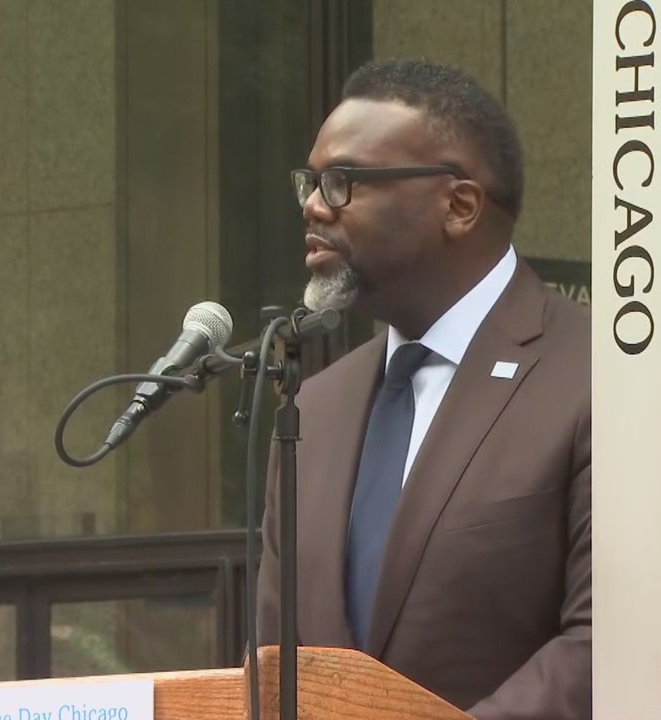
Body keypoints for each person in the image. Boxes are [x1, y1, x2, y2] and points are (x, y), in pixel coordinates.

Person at [255, 58, 591, 720]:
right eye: (311, 183)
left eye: (343, 181)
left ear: (459, 205)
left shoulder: (596, 374)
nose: (315, 206)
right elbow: (274, 664)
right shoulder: (310, 411)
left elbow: (608, 643)